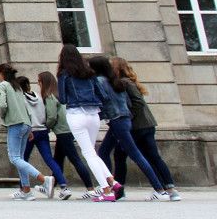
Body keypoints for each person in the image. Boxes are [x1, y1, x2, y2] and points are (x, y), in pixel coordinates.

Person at [90, 55, 169, 201]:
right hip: (124, 119)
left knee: (135, 154)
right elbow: (128, 102)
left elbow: (100, 101)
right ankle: (112, 187)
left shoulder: (99, 81)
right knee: (104, 151)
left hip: (117, 121)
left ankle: (159, 189)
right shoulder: (115, 81)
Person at [109, 57, 180, 201]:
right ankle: (170, 189)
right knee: (152, 156)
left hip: (137, 126)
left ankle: (120, 190)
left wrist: (128, 118)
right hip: (147, 124)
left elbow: (137, 102)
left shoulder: (124, 83)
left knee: (121, 156)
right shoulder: (130, 81)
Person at [56, 44, 118, 201]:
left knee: (88, 154)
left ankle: (106, 191)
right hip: (93, 115)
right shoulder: (90, 73)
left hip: (76, 114)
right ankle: (113, 182)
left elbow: (62, 98)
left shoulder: (64, 74)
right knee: (92, 152)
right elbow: (103, 95)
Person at [0, 63, 54, 200]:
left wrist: (3, 116)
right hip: (27, 123)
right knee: (20, 158)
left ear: (1, 73)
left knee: (14, 158)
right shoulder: (17, 87)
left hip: (15, 123)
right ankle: (26, 190)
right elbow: (26, 107)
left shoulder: (3, 85)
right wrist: (29, 128)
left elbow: (2, 104)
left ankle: (44, 179)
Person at [34, 71, 93, 190]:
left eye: (39, 81)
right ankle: (52, 185)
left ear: (44, 82)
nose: (38, 84)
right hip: (68, 130)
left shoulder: (50, 96)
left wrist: (46, 128)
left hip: (62, 132)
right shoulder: (59, 94)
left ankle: (90, 188)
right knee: (58, 159)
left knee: (75, 159)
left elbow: (51, 116)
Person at [19, 76, 70, 199]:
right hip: (42, 130)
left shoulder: (20, 99)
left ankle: (23, 189)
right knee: (49, 159)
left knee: (22, 160)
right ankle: (64, 186)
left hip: (30, 131)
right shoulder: (39, 96)